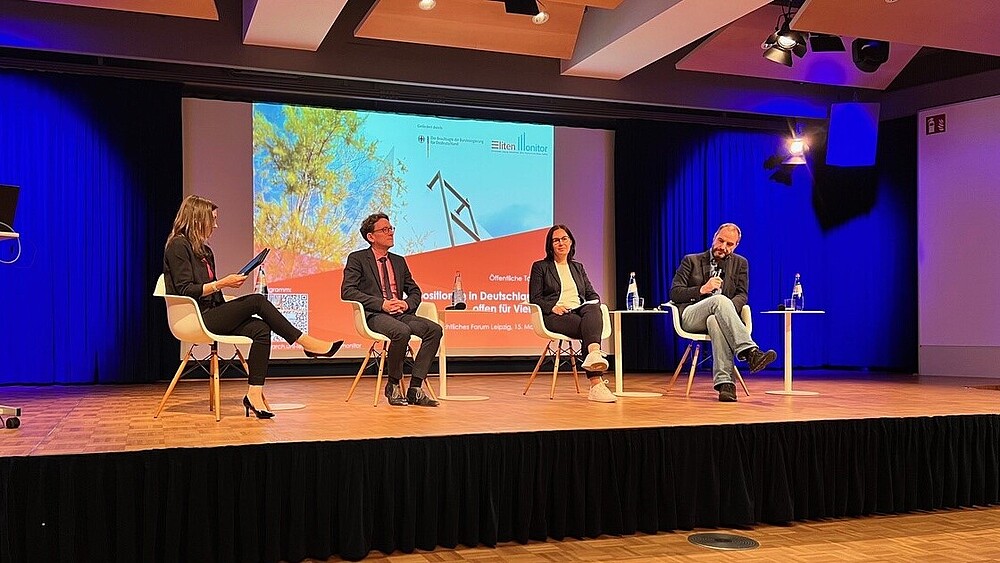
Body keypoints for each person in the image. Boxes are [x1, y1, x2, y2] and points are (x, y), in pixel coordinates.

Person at [163, 195, 343, 419]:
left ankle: (254, 394)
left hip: (212, 312)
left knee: (260, 329)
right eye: (213, 220)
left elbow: (211, 291)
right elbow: (184, 290)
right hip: (194, 317)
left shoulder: (205, 251)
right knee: (257, 301)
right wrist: (222, 283)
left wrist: (226, 292)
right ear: (198, 219)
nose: (216, 225)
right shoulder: (178, 245)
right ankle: (306, 342)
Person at [341, 212, 442, 407]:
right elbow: (348, 291)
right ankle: (393, 384)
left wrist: (406, 303)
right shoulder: (358, 259)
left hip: (400, 313)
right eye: (384, 230)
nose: (390, 233)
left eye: (391, 229)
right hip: (376, 315)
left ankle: (415, 388)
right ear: (371, 237)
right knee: (401, 332)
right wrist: (381, 304)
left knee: (435, 330)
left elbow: (414, 291)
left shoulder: (399, 261)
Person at [670, 222, 776, 402]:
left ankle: (726, 385)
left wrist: (726, 312)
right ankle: (750, 352)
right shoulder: (691, 260)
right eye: (721, 241)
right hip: (691, 316)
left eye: (729, 244)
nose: (723, 247)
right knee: (719, 301)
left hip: (719, 317)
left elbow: (742, 295)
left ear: (736, 246)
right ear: (714, 238)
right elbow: (675, 293)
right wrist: (702, 289)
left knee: (715, 320)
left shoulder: (741, 263)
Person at [529, 224, 616, 403]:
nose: (560, 243)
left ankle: (593, 354)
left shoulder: (578, 267)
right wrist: (552, 306)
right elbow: (535, 297)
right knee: (589, 329)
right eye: (556, 240)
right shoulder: (541, 267)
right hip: (555, 316)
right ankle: (596, 383)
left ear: (571, 242)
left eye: (564, 239)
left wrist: (590, 303)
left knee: (594, 308)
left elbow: (592, 294)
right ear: (550, 245)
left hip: (580, 311)